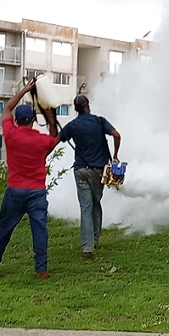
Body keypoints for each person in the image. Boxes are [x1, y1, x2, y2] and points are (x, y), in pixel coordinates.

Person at [0, 80, 59, 279]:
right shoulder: (41, 141)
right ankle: (41, 269)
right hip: (37, 192)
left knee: (5, 227)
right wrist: (50, 118)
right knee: (40, 230)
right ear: (32, 120)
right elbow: (54, 140)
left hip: (15, 190)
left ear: (17, 120)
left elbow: (7, 107)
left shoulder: (10, 134)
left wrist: (25, 89)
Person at [58, 95, 121, 260]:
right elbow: (116, 135)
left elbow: (58, 138)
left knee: (85, 208)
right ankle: (94, 239)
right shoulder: (99, 122)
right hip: (98, 171)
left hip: (80, 170)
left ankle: (87, 248)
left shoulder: (73, 125)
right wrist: (115, 156)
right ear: (88, 106)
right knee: (95, 204)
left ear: (76, 108)